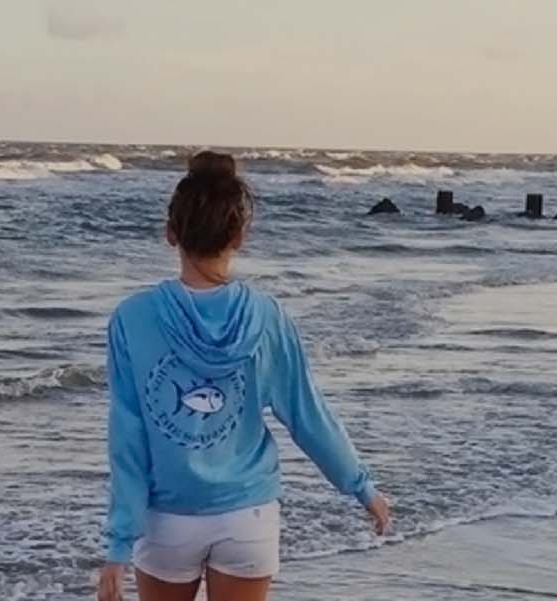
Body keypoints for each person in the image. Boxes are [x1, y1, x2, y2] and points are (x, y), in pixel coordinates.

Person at [96, 151, 392, 601]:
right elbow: (308, 416)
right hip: (247, 519)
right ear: (239, 235)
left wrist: (119, 545)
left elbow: (128, 440)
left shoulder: (132, 319)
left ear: (170, 232)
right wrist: (361, 486)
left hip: (166, 523)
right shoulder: (267, 317)